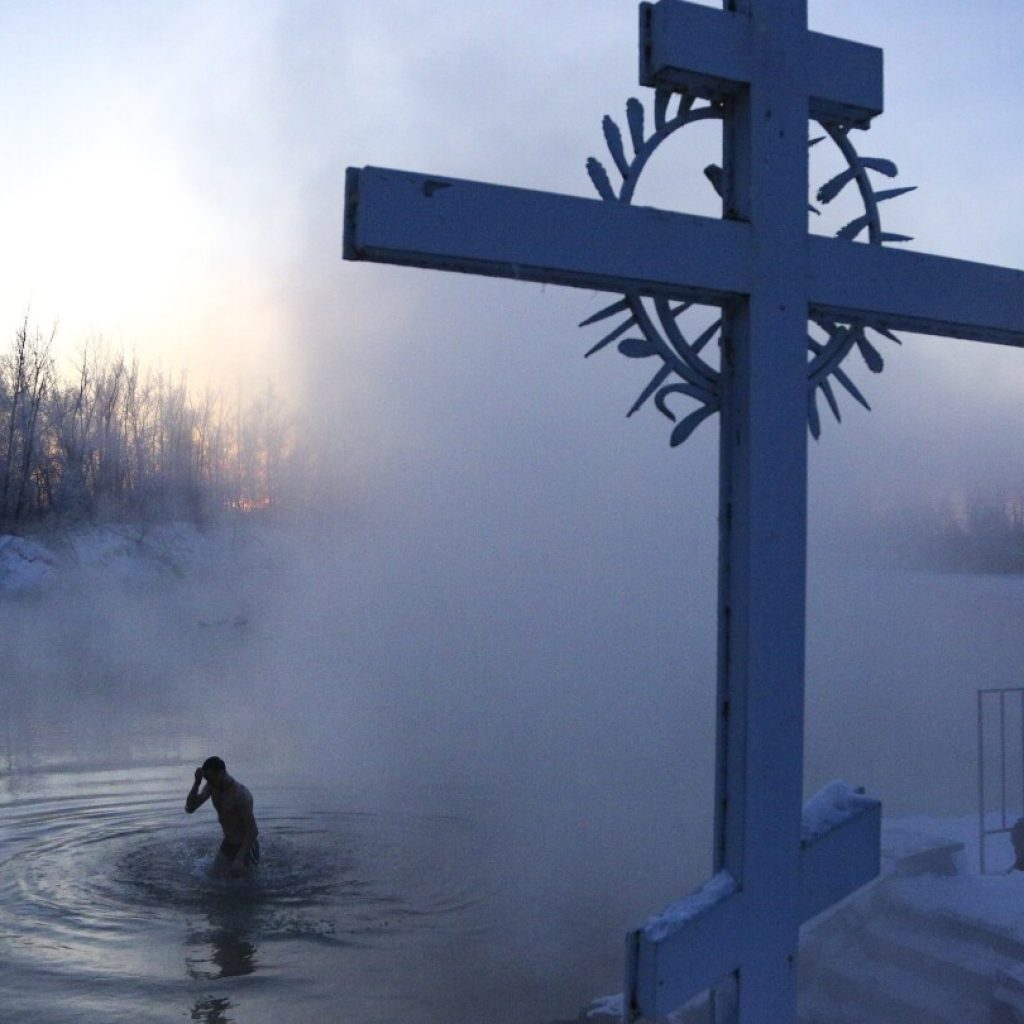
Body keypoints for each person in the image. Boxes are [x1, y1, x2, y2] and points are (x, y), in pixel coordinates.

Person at [185, 756, 260, 876]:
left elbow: (253, 830)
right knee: (213, 877)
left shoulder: (239, 795)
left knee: (244, 889)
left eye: (212, 779)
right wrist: (197, 783)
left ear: (222, 773)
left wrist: (239, 858)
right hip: (228, 843)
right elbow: (190, 808)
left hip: (246, 846)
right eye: (207, 780)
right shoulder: (212, 787)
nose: (209, 783)